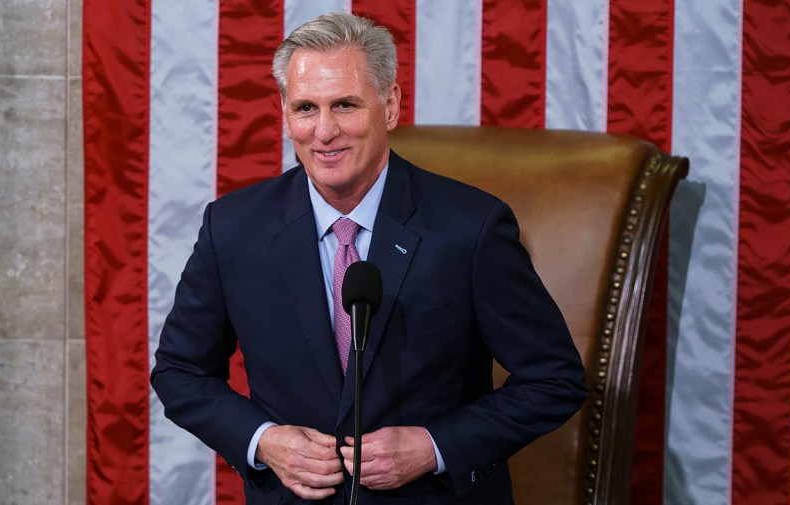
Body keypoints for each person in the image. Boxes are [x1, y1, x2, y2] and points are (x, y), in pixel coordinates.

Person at [151, 12, 588, 504]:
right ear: (284, 113)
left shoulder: (471, 228)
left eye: (344, 105)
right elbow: (179, 372)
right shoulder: (233, 229)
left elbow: (555, 379)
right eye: (305, 108)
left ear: (391, 105)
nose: (324, 131)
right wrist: (264, 441)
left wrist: (434, 446)